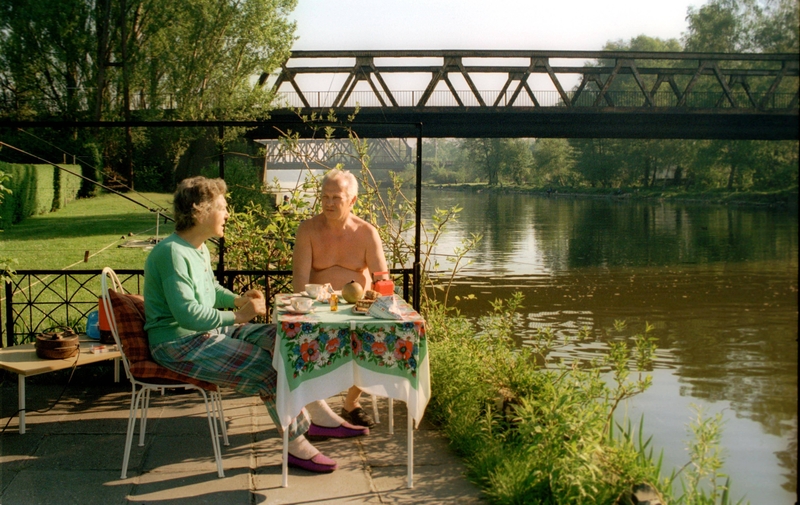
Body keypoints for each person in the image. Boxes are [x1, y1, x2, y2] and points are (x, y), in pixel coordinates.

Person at [143, 176, 367, 474]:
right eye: (222, 207)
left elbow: (210, 289)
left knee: (286, 340)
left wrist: (237, 300)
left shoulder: (196, 248)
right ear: (201, 211)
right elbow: (186, 315)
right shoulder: (171, 253)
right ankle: (296, 444)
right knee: (266, 368)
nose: (227, 214)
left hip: (205, 334)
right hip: (178, 344)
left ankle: (319, 417)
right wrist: (237, 317)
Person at [292, 168, 391, 428]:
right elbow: (299, 281)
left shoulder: (367, 233)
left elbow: (382, 279)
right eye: (325, 197)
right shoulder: (308, 230)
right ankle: (310, 405)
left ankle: (351, 403)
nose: (328, 203)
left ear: (352, 200)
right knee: (296, 337)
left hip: (357, 312)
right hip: (318, 310)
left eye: (336, 197)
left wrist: (375, 302)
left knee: (376, 338)